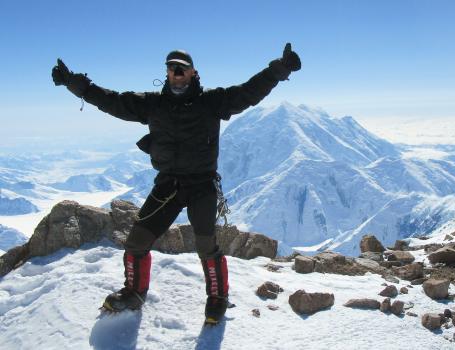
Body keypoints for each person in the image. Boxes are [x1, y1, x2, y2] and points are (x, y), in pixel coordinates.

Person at [51, 43, 301, 323]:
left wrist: (280, 68)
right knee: (137, 242)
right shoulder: (153, 104)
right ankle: (134, 292)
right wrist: (75, 84)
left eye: (181, 68)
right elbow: (113, 101)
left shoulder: (212, 101)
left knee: (207, 247)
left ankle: (217, 298)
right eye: (171, 68)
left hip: (202, 186)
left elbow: (249, 91)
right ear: (167, 73)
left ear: (193, 72)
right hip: (167, 185)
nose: (176, 73)